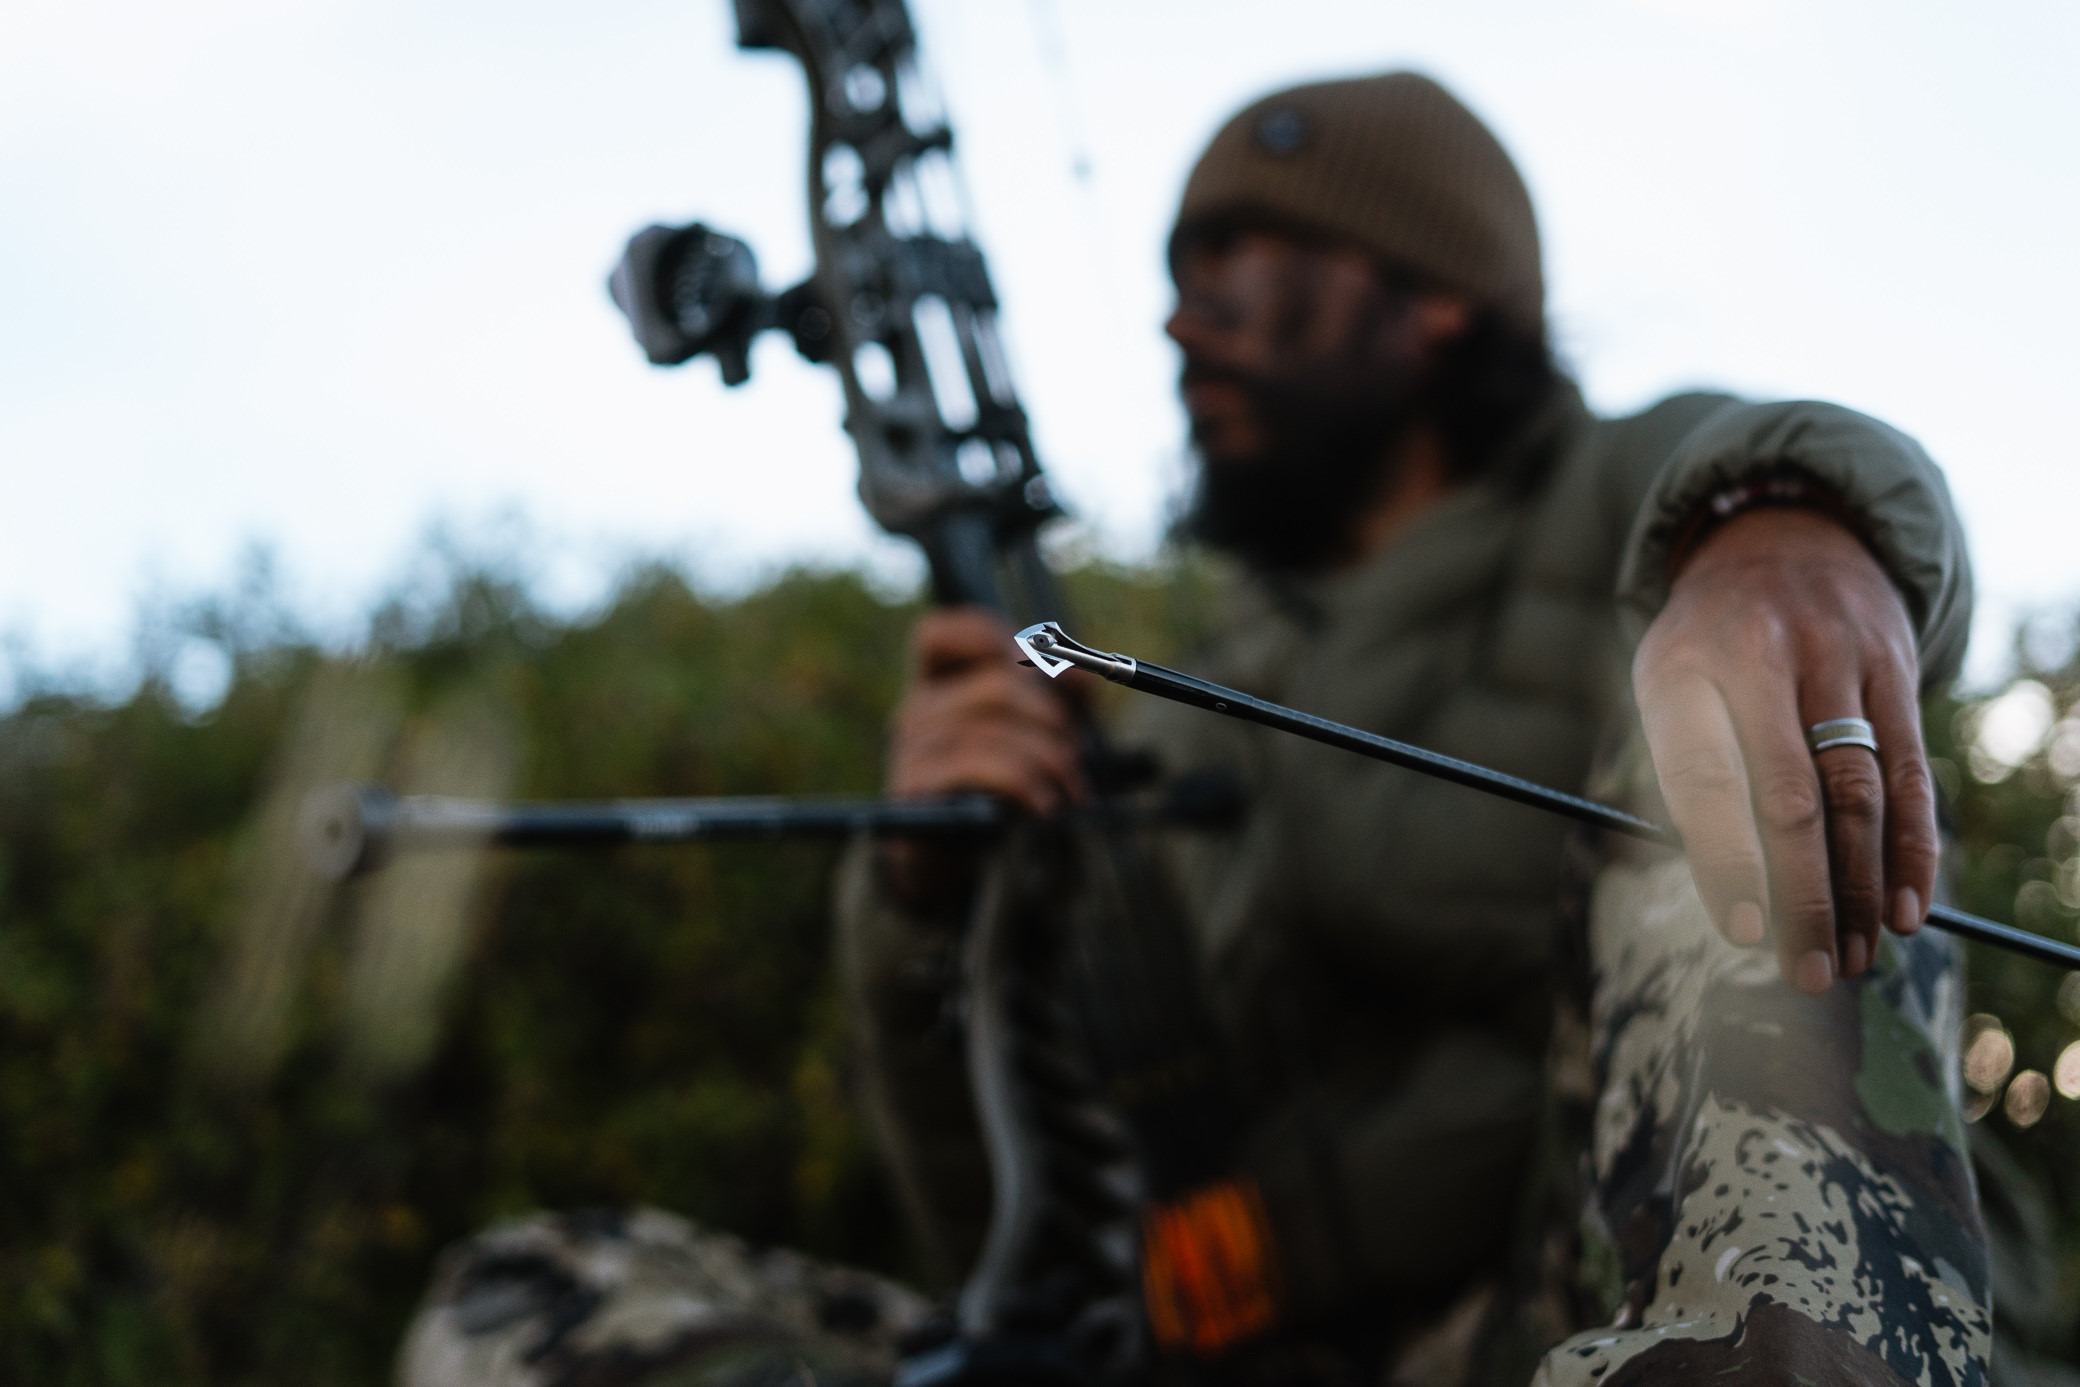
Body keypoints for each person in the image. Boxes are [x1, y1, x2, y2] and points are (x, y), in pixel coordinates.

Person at [402, 72, 2028, 1387]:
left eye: (1246, 271)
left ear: (1436, 300)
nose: (1186, 326)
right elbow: (1024, 1245)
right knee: (530, 1300)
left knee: (1748, 757)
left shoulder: (1626, 484)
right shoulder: (1185, 711)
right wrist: (929, 906)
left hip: (1570, 1322)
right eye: (1180, 283)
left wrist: (1782, 543)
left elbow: (1774, 459)